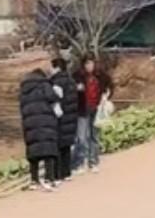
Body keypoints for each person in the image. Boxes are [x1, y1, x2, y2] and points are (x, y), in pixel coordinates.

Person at [19, 62, 59, 190]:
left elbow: (22, 106)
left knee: (33, 152)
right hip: (45, 121)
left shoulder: (24, 89)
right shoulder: (44, 84)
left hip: (30, 124)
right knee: (48, 150)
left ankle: (34, 180)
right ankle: (49, 178)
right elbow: (52, 97)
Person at [74, 53, 110, 172]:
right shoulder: (77, 76)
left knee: (94, 136)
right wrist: (76, 89)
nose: (89, 66)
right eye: (87, 63)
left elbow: (109, 87)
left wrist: (106, 95)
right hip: (82, 109)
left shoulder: (101, 76)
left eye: (91, 63)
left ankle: (93, 161)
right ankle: (80, 162)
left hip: (97, 108)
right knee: (81, 137)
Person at [51, 53, 78, 181]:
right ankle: (67, 173)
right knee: (66, 146)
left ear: (56, 68)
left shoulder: (56, 82)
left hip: (60, 118)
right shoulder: (72, 80)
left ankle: (57, 174)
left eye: (52, 67)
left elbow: (55, 100)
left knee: (57, 146)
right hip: (71, 117)